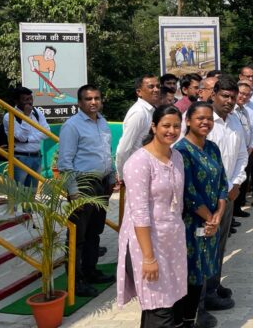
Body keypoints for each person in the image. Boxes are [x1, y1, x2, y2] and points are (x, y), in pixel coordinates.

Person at [117, 105, 187, 328]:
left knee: (169, 302)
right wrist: (148, 258)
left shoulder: (177, 157)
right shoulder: (139, 162)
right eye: (166, 125)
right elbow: (139, 213)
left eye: (176, 126)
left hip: (172, 241)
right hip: (147, 244)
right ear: (154, 127)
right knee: (158, 306)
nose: (172, 131)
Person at [58, 85, 117, 297]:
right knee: (77, 237)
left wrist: (111, 177)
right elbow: (65, 162)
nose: (93, 102)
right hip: (82, 186)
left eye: (97, 98)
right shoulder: (72, 126)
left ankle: (90, 271)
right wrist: (74, 192)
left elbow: (106, 153)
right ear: (79, 102)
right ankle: (75, 281)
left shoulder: (103, 122)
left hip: (101, 184)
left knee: (95, 231)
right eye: (88, 99)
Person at [174, 102, 228, 328]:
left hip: (212, 221)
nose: (206, 122)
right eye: (200, 118)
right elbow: (188, 191)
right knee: (191, 270)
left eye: (209, 119)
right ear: (188, 121)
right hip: (191, 222)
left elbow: (222, 182)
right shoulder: (181, 151)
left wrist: (219, 214)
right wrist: (209, 217)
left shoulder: (213, 147)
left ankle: (198, 312)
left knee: (205, 266)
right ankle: (188, 318)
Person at [202, 75, 247, 311]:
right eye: (225, 96)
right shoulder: (202, 120)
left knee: (219, 244)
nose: (229, 101)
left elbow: (241, 155)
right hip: (204, 196)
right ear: (214, 95)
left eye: (233, 97)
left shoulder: (235, 121)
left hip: (228, 194)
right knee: (204, 244)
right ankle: (202, 296)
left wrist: (236, 184)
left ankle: (213, 285)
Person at [2, 86, 49, 188]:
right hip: (20, 158)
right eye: (25, 99)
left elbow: (46, 133)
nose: (29, 102)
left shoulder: (37, 112)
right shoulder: (9, 116)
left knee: (32, 191)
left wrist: (28, 139)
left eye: (31, 98)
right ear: (16, 101)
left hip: (37, 156)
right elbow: (21, 137)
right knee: (18, 191)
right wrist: (26, 117)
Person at [116, 74, 161, 179]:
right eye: (151, 87)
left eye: (158, 86)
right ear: (139, 92)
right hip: (137, 172)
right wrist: (122, 176)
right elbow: (123, 149)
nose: (156, 90)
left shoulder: (151, 110)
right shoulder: (139, 113)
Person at [232, 81, 253, 218]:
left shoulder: (245, 111)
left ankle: (238, 208)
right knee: (234, 182)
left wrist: (251, 145)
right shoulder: (231, 111)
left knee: (242, 181)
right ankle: (231, 213)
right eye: (241, 93)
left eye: (247, 95)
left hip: (246, 152)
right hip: (235, 152)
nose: (244, 97)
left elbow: (249, 130)